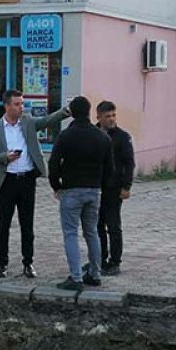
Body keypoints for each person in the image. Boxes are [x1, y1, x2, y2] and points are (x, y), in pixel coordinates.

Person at [0, 90, 70, 279]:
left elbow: (47, 120)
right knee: (3, 224)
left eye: (22, 103)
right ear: (6, 106)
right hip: (7, 180)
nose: (21, 107)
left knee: (27, 224)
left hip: (27, 179)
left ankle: (28, 262)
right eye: (16, 104)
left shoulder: (28, 122)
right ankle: (2, 263)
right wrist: (4, 157)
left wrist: (66, 111)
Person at [48, 96, 113, 291]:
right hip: (93, 191)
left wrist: (56, 186)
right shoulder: (102, 136)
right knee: (92, 232)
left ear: (72, 113)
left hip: (71, 190)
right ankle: (95, 273)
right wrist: (101, 185)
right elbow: (110, 167)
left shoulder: (66, 136)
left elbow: (54, 163)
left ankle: (76, 277)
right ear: (89, 112)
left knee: (70, 233)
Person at [95, 100, 135, 278]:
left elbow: (129, 163)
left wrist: (126, 186)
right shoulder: (93, 134)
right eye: (107, 116)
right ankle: (100, 258)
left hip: (114, 187)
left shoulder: (121, 137)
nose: (111, 119)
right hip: (95, 187)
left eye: (113, 115)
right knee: (97, 225)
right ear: (99, 117)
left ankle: (115, 261)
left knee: (113, 225)